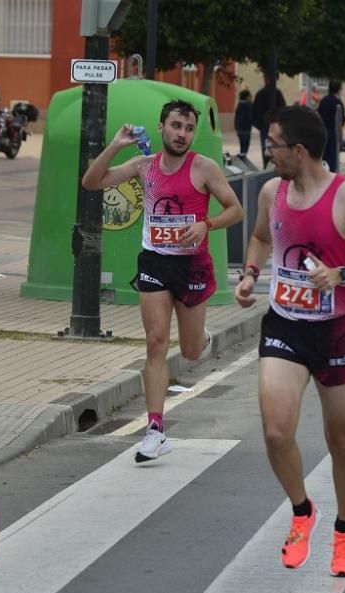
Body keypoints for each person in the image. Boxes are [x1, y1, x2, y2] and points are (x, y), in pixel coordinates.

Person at [234, 105, 345, 578]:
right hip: (285, 325)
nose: (268, 153)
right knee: (275, 431)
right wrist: (249, 274)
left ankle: (343, 531)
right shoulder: (270, 192)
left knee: (342, 440)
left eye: (274, 145)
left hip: (336, 331)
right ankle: (303, 512)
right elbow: (262, 238)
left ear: (298, 151)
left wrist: (341, 273)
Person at [82, 99, 244, 463]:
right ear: (161, 128)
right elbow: (92, 182)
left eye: (188, 128)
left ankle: (199, 336)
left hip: (192, 266)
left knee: (188, 352)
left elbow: (236, 209)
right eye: (176, 126)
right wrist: (115, 144)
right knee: (155, 342)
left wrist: (207, 224)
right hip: (154, 261)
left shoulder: (204, 168)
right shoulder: (144, 166)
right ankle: (155, 429)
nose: (182, 134)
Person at [253, 75, 287, 168]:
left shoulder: (261, 93)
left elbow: (254, 111)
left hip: (265, 126)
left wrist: (259, 125)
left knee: (266, 147)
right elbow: (283, 109)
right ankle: (273, 166)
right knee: (274, 146)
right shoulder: (277, 93)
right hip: (271, 126)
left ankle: (266, 166)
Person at [317, 80, 344, 173]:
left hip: (322, 131)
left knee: (323, 155)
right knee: (332, 157)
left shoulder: (323, 101)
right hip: (333, 132)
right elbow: (341, 120)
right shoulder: (338, 102)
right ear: (339, 90)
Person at [234, 89, 254, 158]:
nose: (251, 97)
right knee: (246, 142)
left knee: (242, 142)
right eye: (250, 96)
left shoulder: (239, 105)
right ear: (247, 97)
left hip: (239, 127)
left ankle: (242, 153)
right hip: (246, 128)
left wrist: (236, 126)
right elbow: (251, 117)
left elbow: (236, 117)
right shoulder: (249, 105)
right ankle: (244, 154)